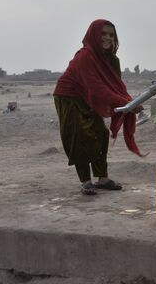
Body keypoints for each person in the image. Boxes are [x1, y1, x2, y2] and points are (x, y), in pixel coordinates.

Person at [54, 19, 144, 195]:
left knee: (100, 134)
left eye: (111, 35)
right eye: (103, 34)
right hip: (69, 97)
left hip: (88, 97)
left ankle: (102, 178)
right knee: (78, 136)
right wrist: (126, 103)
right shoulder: (85, 56)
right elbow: (97, 89)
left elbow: (115, 86)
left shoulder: (112, 60)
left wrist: (131, 102)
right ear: (93, 35)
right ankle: (86, 182)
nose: (108, 38)